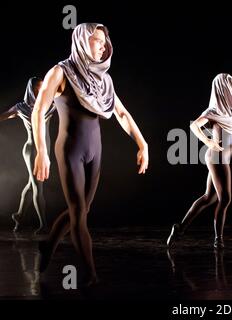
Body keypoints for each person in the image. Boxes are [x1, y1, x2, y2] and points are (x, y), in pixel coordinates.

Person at [32, 23, 149, 285]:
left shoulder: (103, 80)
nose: (103, 45)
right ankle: (90, 275)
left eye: (105, 41)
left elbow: (121, 113)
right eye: (96, 40)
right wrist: (42, 151)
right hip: (70, 149)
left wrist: (143, 144)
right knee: (77, 211)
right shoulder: (60, 72)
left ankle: (48, 244)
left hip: (94, 151)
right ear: (82, 41)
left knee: (83, 210)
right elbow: (39, 111)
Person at [167, 73, 232, 249]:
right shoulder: (212, 112)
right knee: (225, 198)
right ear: (222, 89)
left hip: (221, 158)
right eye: (230, 87)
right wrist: (208, 141)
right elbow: (194, 125)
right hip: (217, 158)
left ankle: (179, 229)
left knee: (209, 197)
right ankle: (219, 239)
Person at [0, 77, 55, 233]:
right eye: (38, 87)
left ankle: (18, 216)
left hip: (45, 150)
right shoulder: (22, 107)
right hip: (32, 150)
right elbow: (3, 116)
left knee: (32, 184)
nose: (41, 90)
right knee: (38, 186)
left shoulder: (49, 105)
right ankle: (43, 225)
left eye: (43, 87)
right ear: (31, 89)